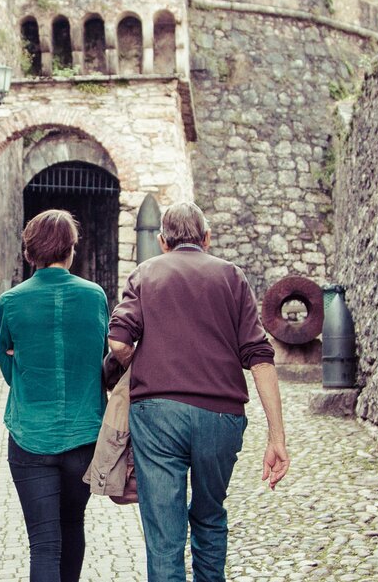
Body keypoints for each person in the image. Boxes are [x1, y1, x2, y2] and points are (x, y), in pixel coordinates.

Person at [107, 201, 288, 582]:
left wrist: (143, 359)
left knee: (164, 536)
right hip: (221, 417)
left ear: (162, 241)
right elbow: (259, 356)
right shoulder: (231, 277)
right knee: (209, 514)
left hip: (157, 415)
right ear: (206, 238)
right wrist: (276, 437)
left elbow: (119, 342)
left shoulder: (145, 273)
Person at [0, 209, 110, 582]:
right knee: (73, 526)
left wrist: (25, 365)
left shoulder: (10, 303)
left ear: (29, 253)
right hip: (83, 439)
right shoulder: (94, 297)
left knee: (43, 544)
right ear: (71, 250)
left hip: (30, 439)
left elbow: (8, 367)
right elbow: (98, 357)